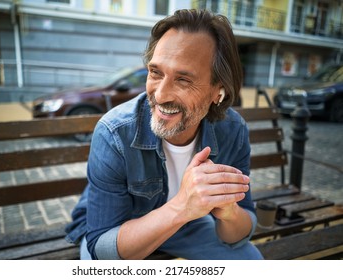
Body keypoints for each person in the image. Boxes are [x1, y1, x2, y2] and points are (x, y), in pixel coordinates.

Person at [65, 9, 263, 260]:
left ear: (218, 91)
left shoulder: (233, 131)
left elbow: (240, 232)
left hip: (188, 225)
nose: (160, 96)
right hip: (123, 227)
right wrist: (182, 207)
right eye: (156, 73)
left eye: (183, 80)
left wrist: (229, 213)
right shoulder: (114, 132)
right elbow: (102, 248)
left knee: (251, 261)